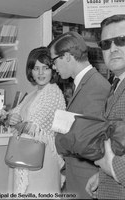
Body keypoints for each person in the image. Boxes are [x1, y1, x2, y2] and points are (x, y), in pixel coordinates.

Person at [48, 31, 110, 199]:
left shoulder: (96, 86)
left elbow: (93, 141)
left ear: (67, 56)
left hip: (87, 179)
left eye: (54, 61)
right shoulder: (83, 83)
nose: (53, 67)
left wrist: (59, 137)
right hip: (77, 176)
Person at [7, 46, 66, 195]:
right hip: (27, 156)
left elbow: (35, 127)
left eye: (45, 68)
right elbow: (14, 114)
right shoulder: (33, 94)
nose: (40, 73)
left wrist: (16, 123)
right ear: (30, 71)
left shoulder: (53, 92)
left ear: (53, 69)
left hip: (43, 159)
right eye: (36, 68)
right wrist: (10, 118)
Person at [86, 14, 125, 199]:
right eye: (106, 44)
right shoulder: (115, 85)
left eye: (122, 40)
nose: (113, 48)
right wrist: (102, 175)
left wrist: (113, 169)